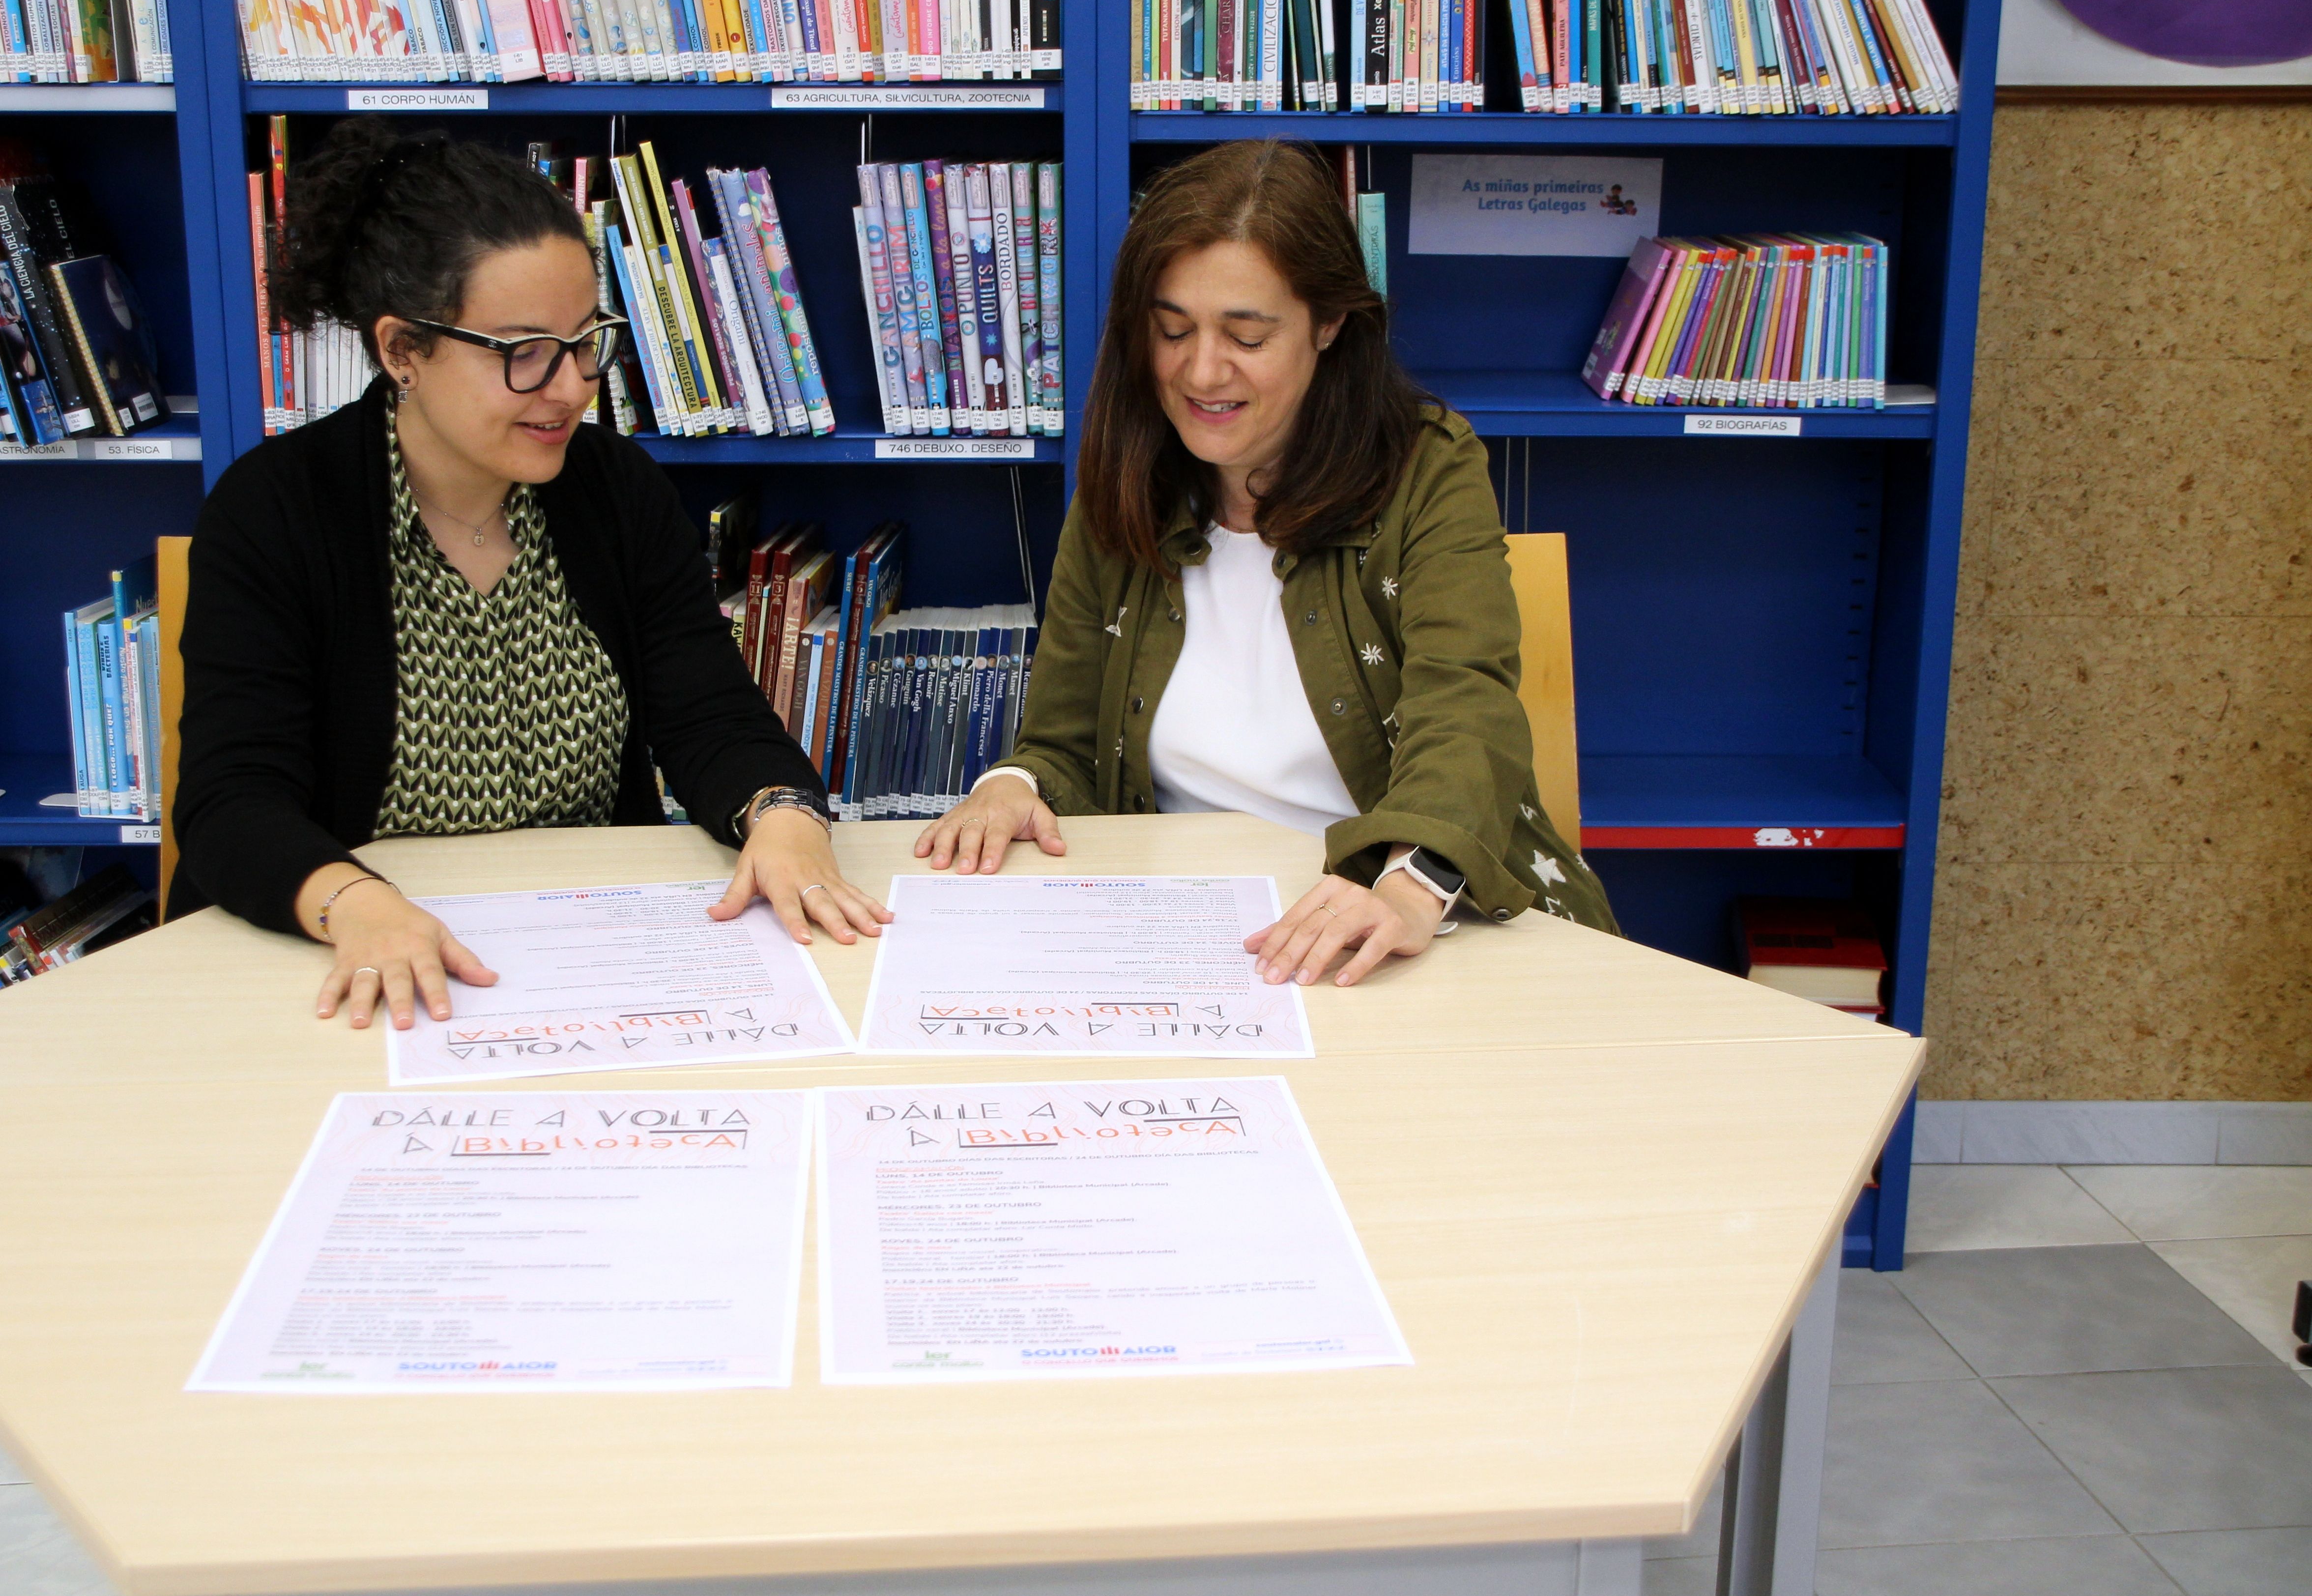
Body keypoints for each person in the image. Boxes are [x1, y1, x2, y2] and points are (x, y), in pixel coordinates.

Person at [173, 122, 888, 1029]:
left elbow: (711, 719)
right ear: (402, 351)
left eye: (587, 341)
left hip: (590, 958)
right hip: (359, 972)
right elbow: (232, 805)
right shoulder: (277, 511)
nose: (570, 386)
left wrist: (783, 816)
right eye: (523, 353)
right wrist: (359, 905)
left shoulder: (615, 492)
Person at [916, 138, 1614, 987]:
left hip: (1398, 920)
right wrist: (1014, 784)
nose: (1201, 371)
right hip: (1184, 943)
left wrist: (1408, 887)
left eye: (1246, 335)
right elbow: (1062, 743)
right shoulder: (1127, 477)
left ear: (1329, 324)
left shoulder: (1428, 467)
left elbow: (1464, 700)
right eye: (1172, 330)